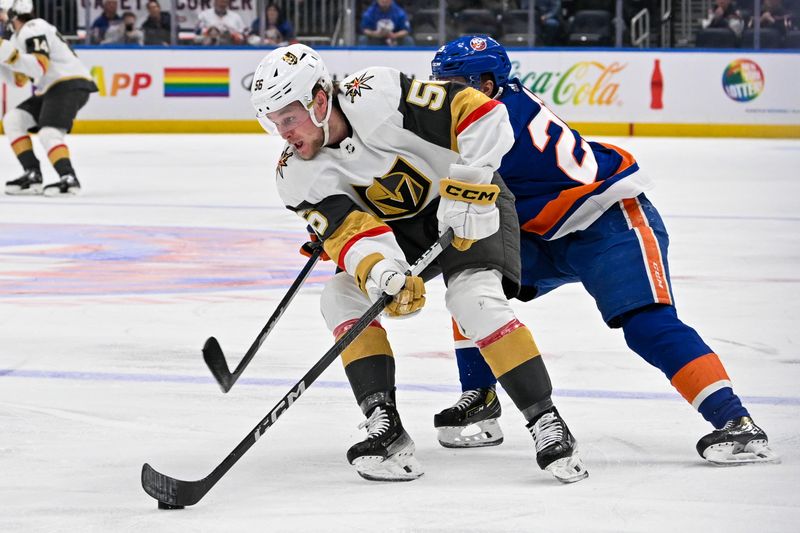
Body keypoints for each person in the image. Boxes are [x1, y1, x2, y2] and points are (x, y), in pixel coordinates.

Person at [429, 35, 778, 466]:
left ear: (485, 85)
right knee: (471, 281)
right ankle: (480, 395)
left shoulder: (495, 123)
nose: (443, 95)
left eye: (453, 84)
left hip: (606, 218)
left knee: (647, 324)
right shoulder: (488, 106)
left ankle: (735, 422)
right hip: (544, 229)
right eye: (439, 84)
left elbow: (440, 188)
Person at [250, 43, 589, 483]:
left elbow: (481, 113)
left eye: (288, 119)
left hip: (472, 202)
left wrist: (467, 185)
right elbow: (351, 233)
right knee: (340, 295)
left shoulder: (375, 93)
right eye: (273, 123)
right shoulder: (294, 172)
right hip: (401, 233)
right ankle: (384, 425)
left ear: (318, 100)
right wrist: (383, 273)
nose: (284, 134)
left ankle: (546, 421)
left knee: (473, 300)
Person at [0, 0, 97, 196]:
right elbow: (19, 80)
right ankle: (32, 173)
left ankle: (68, 178)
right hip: (52, 87)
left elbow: (38, 66)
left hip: (68, 83)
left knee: (49, 132)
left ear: (14, 11)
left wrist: (7, 54)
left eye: (2, 11)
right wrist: (4, 59)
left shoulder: (34, 26)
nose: (1, 16)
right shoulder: (20, 36)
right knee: (12, 120)